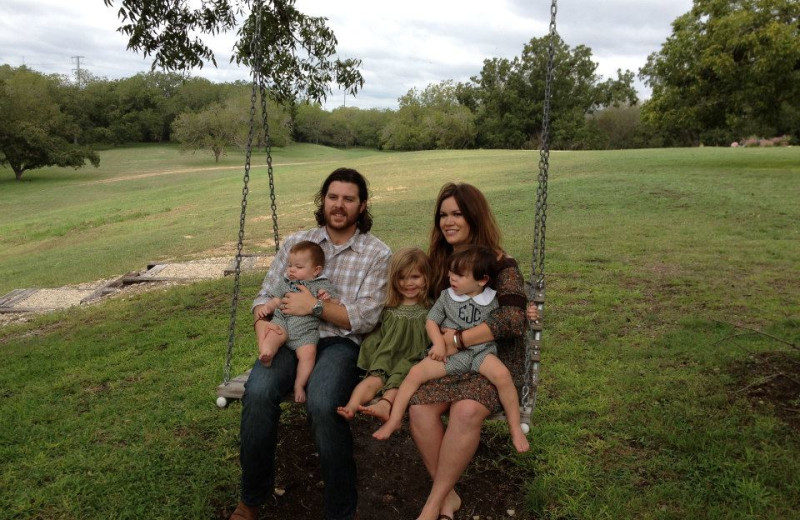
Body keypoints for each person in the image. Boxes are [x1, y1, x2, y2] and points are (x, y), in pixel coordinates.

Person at [231, 168, 391, 520]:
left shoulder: (376, 254)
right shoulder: (295, 243)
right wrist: (266, 317)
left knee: (322, 403)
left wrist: (316, 307)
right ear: (324, 200)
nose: (339, 205)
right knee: (258, 393)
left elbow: (366, 317)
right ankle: (251, 499)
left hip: (340, 344)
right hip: (289, 337)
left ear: (361, 206)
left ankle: (340, 511)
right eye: (333, 197)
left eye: (349, 199)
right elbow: (263, 295)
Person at [406, 182, 538, 520]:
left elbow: (510, 319)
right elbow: (424, 309)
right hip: (448, 361)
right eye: (443, 215)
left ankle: (432, 505)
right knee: (420, 410)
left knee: (465, 412)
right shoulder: (439, 262)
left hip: (490, 363)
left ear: (474, 217)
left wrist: (459, 339)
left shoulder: (498, 263)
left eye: (457, 214)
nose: (448, 222)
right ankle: (447, 496)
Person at [373, 246, 530, 454]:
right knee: (415, 373)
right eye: (451, 272)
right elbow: (431, 321)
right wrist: (438, 343)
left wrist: (530, 312)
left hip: (482, 353)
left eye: (459, 275)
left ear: (482, 280)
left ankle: (515, 428)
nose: (451, 278)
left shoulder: (492, 298)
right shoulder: (447, 297)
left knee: (502, 376)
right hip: (450, 354)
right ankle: (394, 420)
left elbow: (511, 316)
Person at [335, 247, 432, 422]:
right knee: (374, 379)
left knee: (398, 379)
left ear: (426, 277)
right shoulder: (388, 306)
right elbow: (376, 330)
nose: (408, 283)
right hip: (387, 353)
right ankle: (351, 406)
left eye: (415, 277)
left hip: (412, 358)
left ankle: (384, 405)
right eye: (401, 278)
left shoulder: (430, 308)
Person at [254, 240, 338, 403]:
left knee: (308, 355)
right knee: (272, 334)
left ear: (316, 270)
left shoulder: (320, 285)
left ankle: (299, 385)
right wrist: (267, 308)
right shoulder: (286, 283)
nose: (292, 270)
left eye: (298, 267)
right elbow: (277, 300)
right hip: (283, 322)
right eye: (290, 265)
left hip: (305, 332)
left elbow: (334, 304)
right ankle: (267, 353)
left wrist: (325, 299)